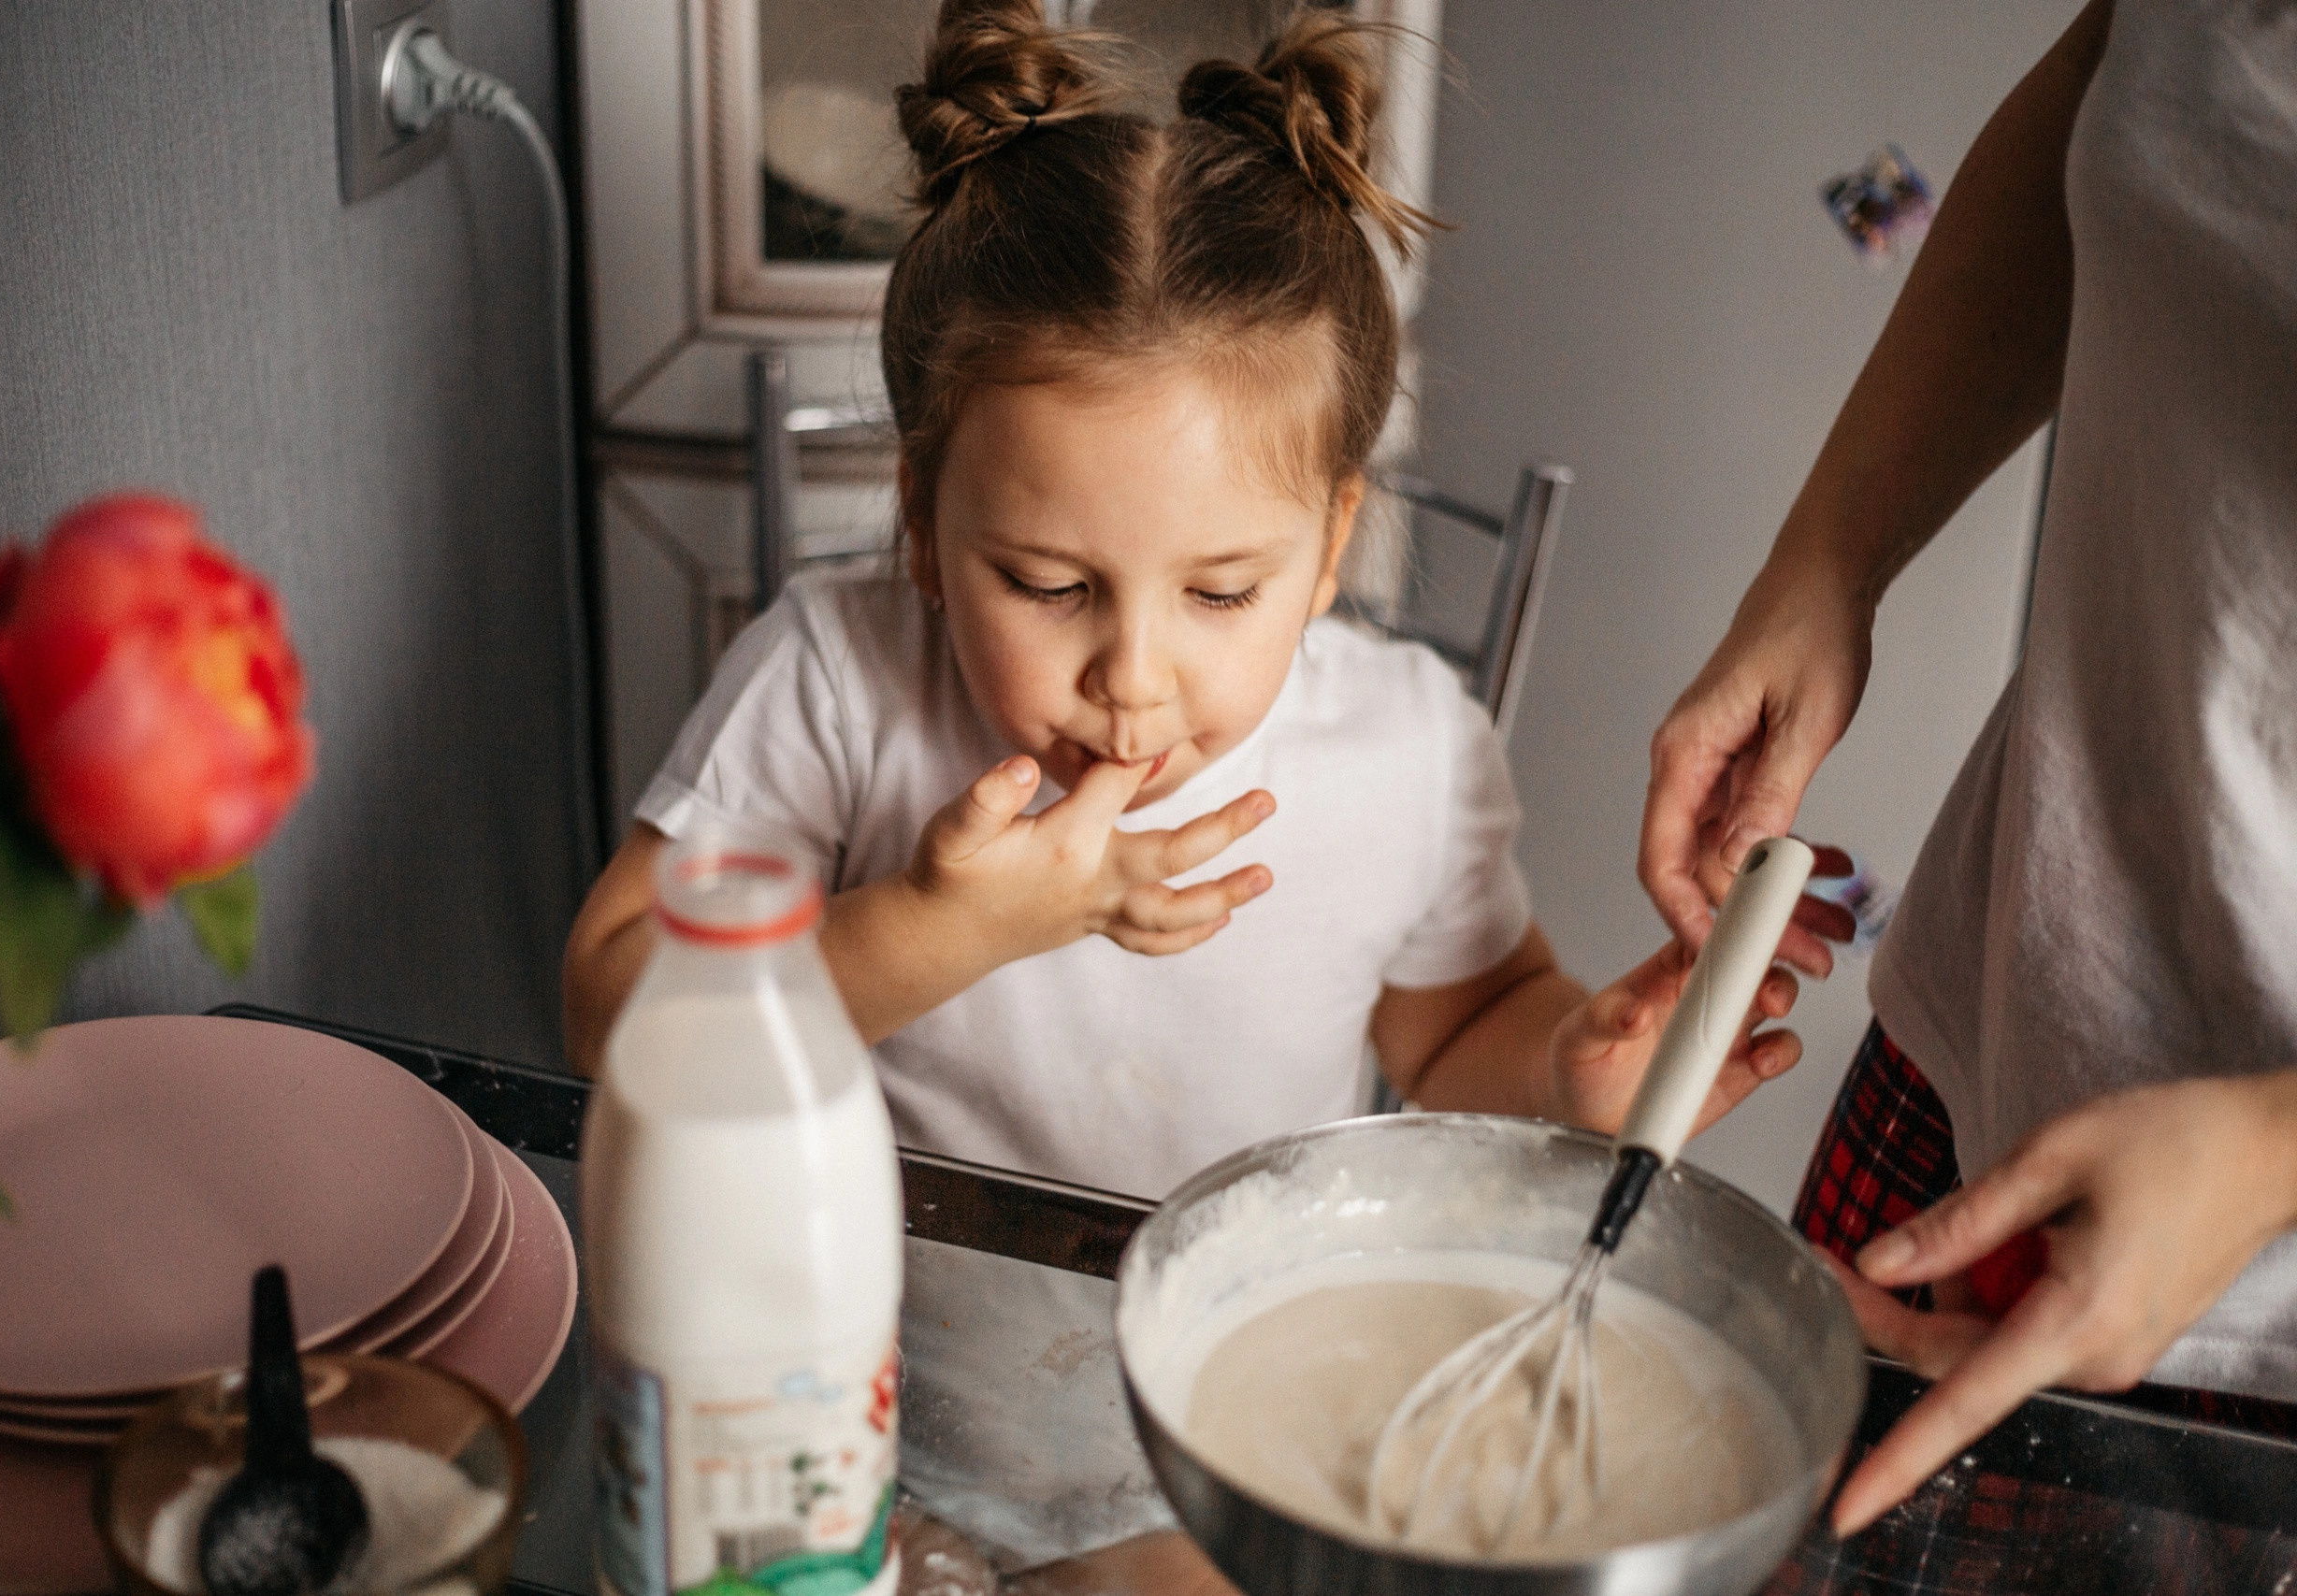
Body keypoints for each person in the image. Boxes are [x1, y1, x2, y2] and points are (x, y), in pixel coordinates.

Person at [564, 0, 1802, 1201]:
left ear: (1328, 553)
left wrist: (1566, 1072)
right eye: (1048, 585)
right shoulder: (835, 681)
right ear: (923, 528)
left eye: (1222, 592)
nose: (1135, 678)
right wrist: (941, 932)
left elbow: (1460, 1023)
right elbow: (610, 1014)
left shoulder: (1414, 748)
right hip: (881, 1329)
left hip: (1232, 1349)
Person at [1640, 0, 2297, 1539]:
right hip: (1979, 1040)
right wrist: (1824, 567)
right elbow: (2117, 94)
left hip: (2248, 1295)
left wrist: (2270, 1153)